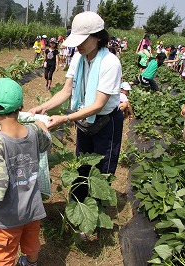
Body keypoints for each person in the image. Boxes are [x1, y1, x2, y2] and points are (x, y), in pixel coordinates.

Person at [29, 11, 123, 178]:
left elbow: (98, 105)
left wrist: (65, 118)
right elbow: (66, 91)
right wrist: (42, 107)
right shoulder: (79, 59)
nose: (78, 45)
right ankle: (79, 200)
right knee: (82, 165)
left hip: (106, 123)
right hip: (84, 119)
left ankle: (97, 202)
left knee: (102, 170)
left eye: (83, 40)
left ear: (98, 37)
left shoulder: (110, 63)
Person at [0, 78, 52, 266]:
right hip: (33, 210)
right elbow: (46, 143)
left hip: (7, 218)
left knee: (2, 255)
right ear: (21, 107)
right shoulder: (33, 132)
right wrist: (40, 124)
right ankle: (31, 263)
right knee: (31, 244)